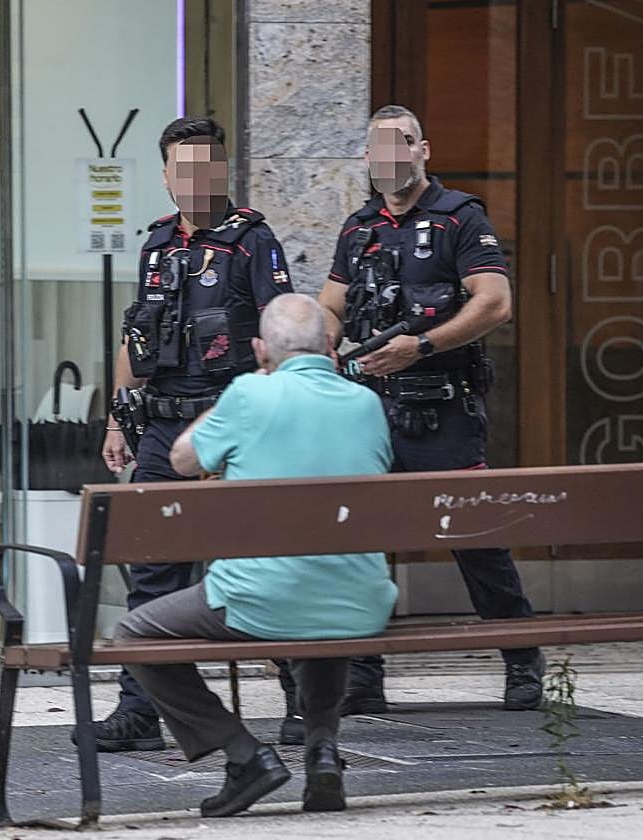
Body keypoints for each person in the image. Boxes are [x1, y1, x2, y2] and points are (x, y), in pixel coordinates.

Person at [291, 104, 543, 737]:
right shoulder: (358, 228)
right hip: (369, 406)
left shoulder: (462, 218)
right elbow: (332, 306)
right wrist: (313, 341)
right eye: (378, 147)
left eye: (400, 144)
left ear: (423, 150)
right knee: (358, 540)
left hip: (442, 404)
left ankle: (521, 659)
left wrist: (423, 346)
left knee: (475, 537)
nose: (390, 158)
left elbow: (495, 304)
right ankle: (364, 677)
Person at [113, 293, 396, 817]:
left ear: (260, 350)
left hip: (262, 600)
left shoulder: (249, 394)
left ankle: (245, 755)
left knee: (134, 633)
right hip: (360, 600)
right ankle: (322, 752)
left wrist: (235, 400)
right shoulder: (366, 403)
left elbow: (180, 460)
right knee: (324, 596)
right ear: (330, 346)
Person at [83, 116, 295, 752]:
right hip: (161, 428)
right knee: (150, 568)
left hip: (231, 428)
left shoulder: (253, 242)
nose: (195, 179)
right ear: (167, 175)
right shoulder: (156, 245)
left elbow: (276, 341)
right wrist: (119, 416)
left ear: (222, 171)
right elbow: (138, 337)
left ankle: (300, 702)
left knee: (258, 566)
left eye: (207, 166)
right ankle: (139, 712)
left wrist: (246, 426)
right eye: (183, 168)